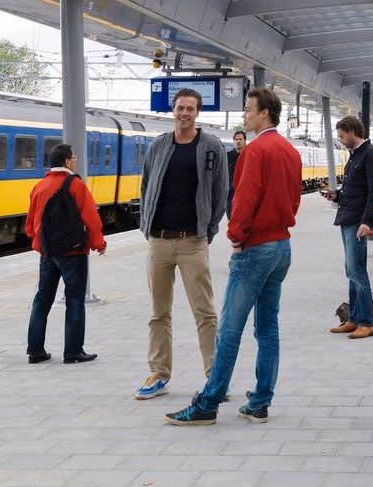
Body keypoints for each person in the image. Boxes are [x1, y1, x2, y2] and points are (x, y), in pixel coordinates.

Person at [165, 87, 301, 426]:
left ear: (264, 113)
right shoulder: (290, 150)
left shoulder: (255, 151)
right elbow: (294, 200)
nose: (244, 115)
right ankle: (260, 402)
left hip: (255, 249)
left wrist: (236, 238)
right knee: (267, 328)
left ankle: (207, 403)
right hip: (281, 246)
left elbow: (243, 200)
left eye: (248, 109)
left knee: (228, 330)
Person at [135, 88, 230, 400]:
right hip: (159, 240)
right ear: (173, 111)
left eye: (190, 109)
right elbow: (146, 185)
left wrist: (208, 230)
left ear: (197, 113)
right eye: (180, 108)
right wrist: (147, 224)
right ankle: (158, 374)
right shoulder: (159, 145)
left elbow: (220, 192)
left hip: (193, 241)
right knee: (158, 312)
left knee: (204, 312)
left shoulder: (211, 146)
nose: (184, 113)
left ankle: (215, 378)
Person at [23, 144, 106, 364]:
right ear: (67, 161)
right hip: (73, 252)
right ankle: (73, 352)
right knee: (75, 300)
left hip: (47, 253)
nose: (75, 160)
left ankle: (35, 351)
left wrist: (39, 241)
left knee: (42, 299)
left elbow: (30, 224)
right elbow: (91, 217)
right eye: (74, 157)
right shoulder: (75, 184)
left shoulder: (40, 186)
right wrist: (98, 243)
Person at [319, 116, 373, 339]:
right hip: (348, 217)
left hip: (358, 220)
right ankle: (354, 319)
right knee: (351, 271)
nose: (340, 139)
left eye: (341, 136)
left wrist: (367, 221)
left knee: (356, 270)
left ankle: (367, 322)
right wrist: (337, 195)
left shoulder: (371, 154)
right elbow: (356, 189)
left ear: (351, 131)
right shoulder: (356, 154)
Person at [227, 131, 245, 204]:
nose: (238, 141)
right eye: (236, 139)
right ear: (233, 141)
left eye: (240, 139)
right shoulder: (227, 156)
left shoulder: (249, 156)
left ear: (244, 141)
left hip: (244, 192)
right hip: (230, 193)